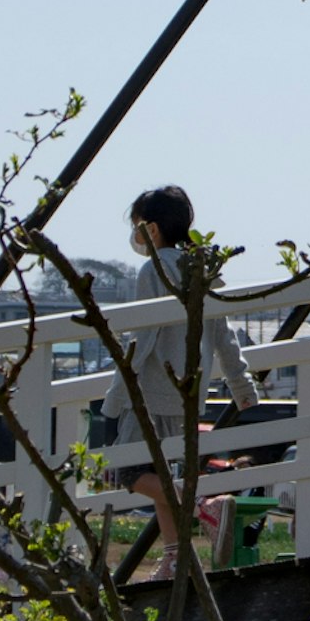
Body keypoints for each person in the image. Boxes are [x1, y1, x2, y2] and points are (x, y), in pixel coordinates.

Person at [101, 184, 260, 557]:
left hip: (152, 390)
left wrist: (114, 400)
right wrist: (243, 388)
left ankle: (206, 505)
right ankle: (174, 558)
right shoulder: (202, 268)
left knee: (126, 472)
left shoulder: (153, 269)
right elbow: (225, 334)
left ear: (151, 229)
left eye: (139, 225)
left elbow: (143, 339)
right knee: (161, 477)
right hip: (187, 393)